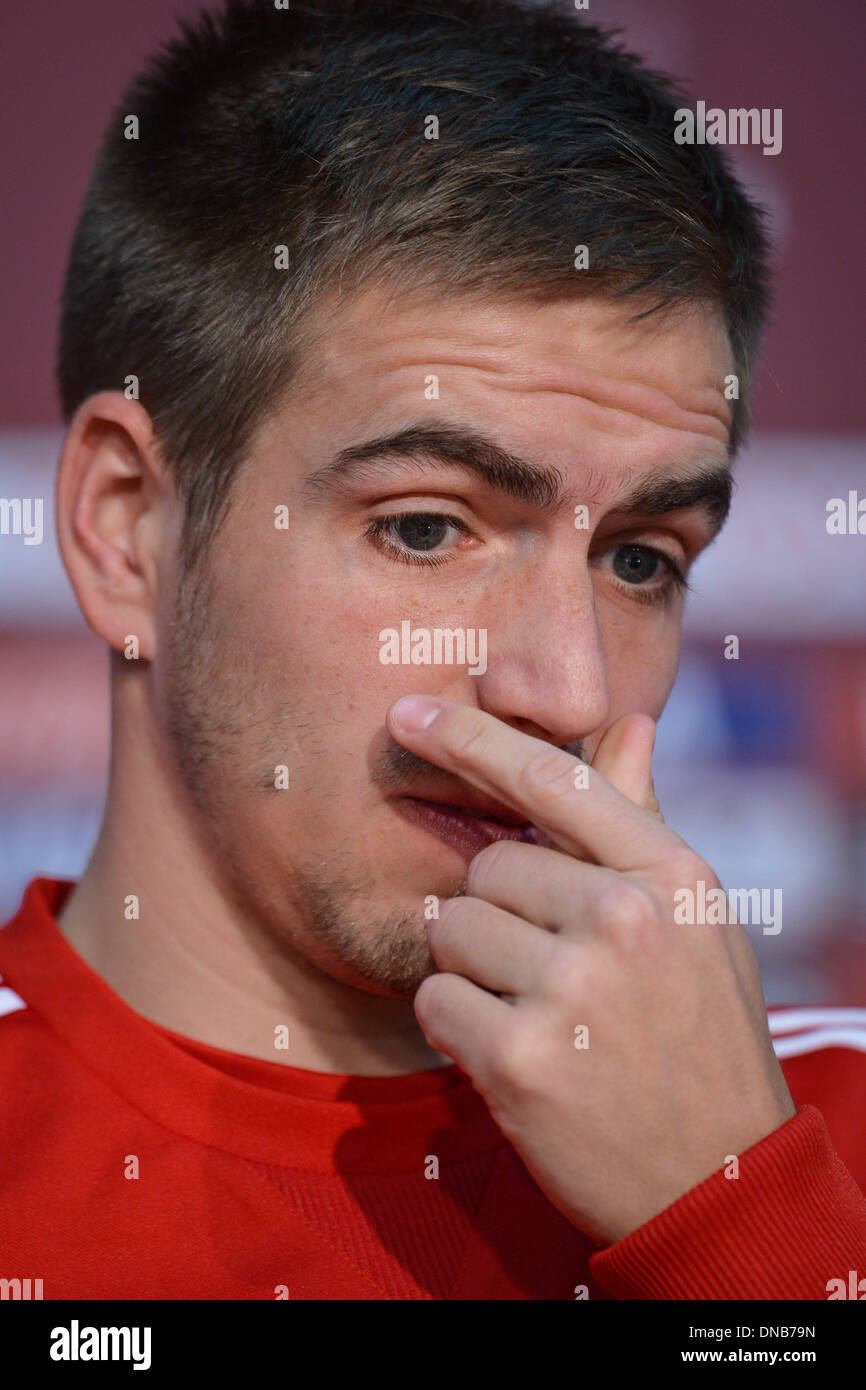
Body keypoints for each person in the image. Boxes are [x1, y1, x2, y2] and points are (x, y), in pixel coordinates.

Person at [1, 0, 864, 1301]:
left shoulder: (825, 1132)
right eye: (424, 525)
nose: (564, 687)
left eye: (640, 556)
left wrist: (743, 1233)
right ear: (127, 532)